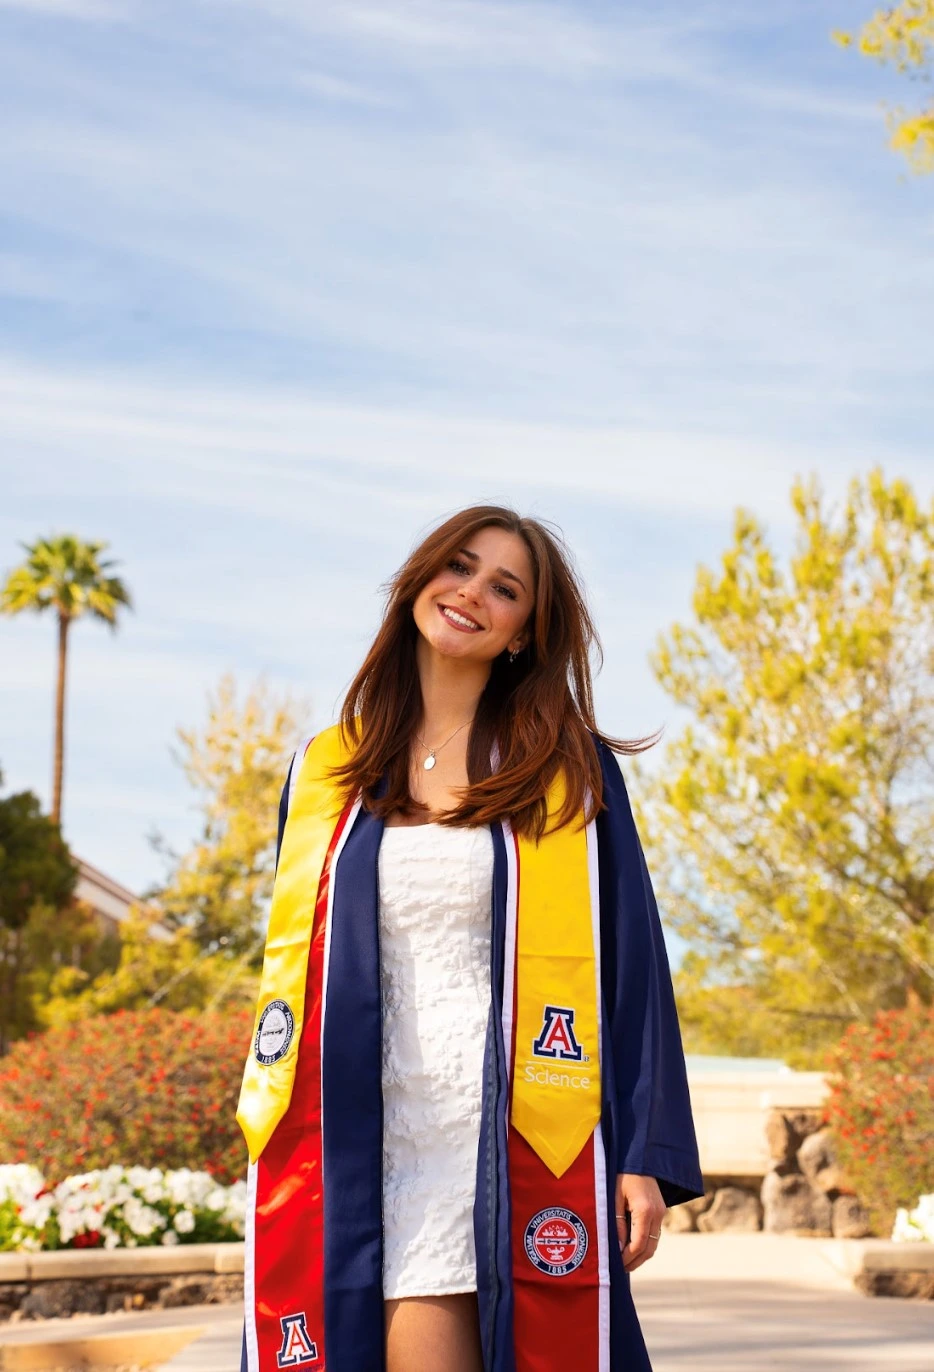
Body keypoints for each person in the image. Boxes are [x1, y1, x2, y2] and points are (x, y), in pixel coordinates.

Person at [237, 506, 704, 1372]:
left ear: (526, 632)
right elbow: (296, 971)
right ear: (419, 577)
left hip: (506, 1123)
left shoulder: (566, 770)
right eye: (458, 566)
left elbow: (632, 963)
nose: (471, 594)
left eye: (505, 588)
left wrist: (644, 1154)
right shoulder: (325, 770)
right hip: (360, 1124)